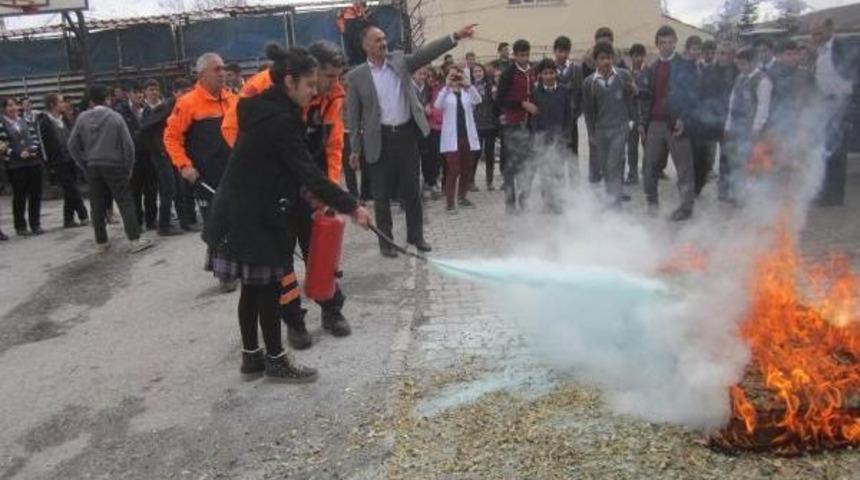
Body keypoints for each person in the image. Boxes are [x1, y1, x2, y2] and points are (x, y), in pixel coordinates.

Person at [203, 44, 372, 382]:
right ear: (290, 82)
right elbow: (307, 170)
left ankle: (252, 358)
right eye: (309, 85)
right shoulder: (281, 120)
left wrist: (311, 194)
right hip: (254, 216)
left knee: (252, 289)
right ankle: (276, 360)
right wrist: (352, 206)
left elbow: (287, 170)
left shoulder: (262, 109)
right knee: (266, 290)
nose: (314, 92)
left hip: (239, 211)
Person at [346, 23, 476, 257]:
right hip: (379, 140)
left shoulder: (399, 61)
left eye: (384, 38)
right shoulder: (356, 77)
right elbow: (353, 117)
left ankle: (416, 236)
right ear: (365, 45)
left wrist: (454, 36)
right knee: (382, 194)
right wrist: (355, 149)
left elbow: (425, 53)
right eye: (377, 40)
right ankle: (386, 243)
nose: (384, 43)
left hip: (406, 134)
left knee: (412, 189)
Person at [165, 52, 238, 291]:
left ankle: (236, 264)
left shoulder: (232, 100)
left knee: (237, 218)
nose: (223, 73)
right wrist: (184, 165)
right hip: (206, 176)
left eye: (223, 68)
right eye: (217, 69)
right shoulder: (187, 103)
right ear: (202, 74)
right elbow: (171, 137)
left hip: (235, 172)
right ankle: (225, 274)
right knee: (216, 221)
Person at [68, 85, 154, 254]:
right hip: (114, 165)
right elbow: (128, 145)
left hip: (93, 166)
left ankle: (101, 242)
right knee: (124, 201)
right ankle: (134, 239)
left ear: (91, 101)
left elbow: (72, 144)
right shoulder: (115, 117)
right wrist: (129, 167)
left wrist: (83, 163)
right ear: (107, 99)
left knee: (97, 204)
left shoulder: (82, 118)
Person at [639, 25, 697, 221]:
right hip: (654, 124)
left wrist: (684, 118)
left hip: (676, 124)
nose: (666, 46)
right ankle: (652, 204)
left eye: (670, 42)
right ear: (657, 45)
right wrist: (641, 123)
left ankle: (686, 208)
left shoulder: (687, 66)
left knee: (684, 168)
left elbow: (693, 97)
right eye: (662, 42)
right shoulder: (651, 68)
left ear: (675, 43)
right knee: (649, 166)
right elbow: (645, 97)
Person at [583, 44, 636, 208]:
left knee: (614, 163)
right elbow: (588, 110)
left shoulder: (623, 75)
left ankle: (616, 204)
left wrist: (632, 120)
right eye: (602, 58)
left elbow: (631, 97)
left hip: (620, 127)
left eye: (609, 58)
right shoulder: (589, 83)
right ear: (596, 61)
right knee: (605, 166)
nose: (606, 61)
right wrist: (591, 132)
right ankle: (611, 197)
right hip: (601, 130)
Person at [811, 17, 856, 206]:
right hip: (826, 104)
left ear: (831, 29)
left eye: (819, 32)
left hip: (845, 102)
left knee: (837, 150)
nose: (815, 37)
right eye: (813, 33)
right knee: (826, 150)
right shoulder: (819, 52)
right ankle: (826, 191)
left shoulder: (844, 44)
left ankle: (834, 196)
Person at [723, 47, 773, 204]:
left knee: (751, 163)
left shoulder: (763, 81)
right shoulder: (740, 78)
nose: (741, 67)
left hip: (751, 129)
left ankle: (752, 198)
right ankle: (739, 193)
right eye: (739, 64)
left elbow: (763, 108)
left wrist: (756, 129)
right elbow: (732, 103)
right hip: (737, 128)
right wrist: (728, 126)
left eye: (744, 64)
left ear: (753, 62)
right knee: (737, 162)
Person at [138, 79, 185, 236]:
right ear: (145, 92)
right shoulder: (146, 111)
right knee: (168, 188)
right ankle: (164, 225)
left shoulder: (166, 107)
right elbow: (146, 129)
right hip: (159, 154)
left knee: (179, 187)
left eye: (156, 89)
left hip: (171, 151)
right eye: (150, 89)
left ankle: (185, 220)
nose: (154, 92)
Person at [36, 93, 89, 228]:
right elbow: (43, 146)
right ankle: (84, 215)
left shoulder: (63, 119)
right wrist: (49, 165)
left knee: (69, 190)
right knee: (72, 188)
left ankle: (68, 219)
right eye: (60, 102)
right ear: (53, 104)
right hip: (58, 161)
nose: (63, 104)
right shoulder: (44, 122)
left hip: (70, 158)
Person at [497, 39, 536, 214]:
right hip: (513, 124)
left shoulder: (533, 71)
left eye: (526, 55)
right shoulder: (508, 73)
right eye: (521, 55)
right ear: (514, 55)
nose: (524, 58)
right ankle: (510, 204)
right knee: (511, 166)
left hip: (531, 124)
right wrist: (521, 104)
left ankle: (524, 198)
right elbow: (500, 100)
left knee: (529, 164)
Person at [435, 64, 481, 212]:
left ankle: (462, 197)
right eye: (453, 75)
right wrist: (446, 86)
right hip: (451, 138)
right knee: (453, 169)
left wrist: (468, 84)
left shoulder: (467, 92)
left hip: (468, 136)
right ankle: (449, 202)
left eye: (458, 75)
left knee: (467, 168)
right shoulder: (446, 93)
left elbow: (478, 100)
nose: (456, 78)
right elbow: (437, 105)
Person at [699, 43, 739, 202]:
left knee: (727, 156)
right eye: (721, 53)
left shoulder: (737, 73)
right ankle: (698, 185)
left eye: (728, 53)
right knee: (704, 155)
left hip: (728, 119)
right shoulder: (707, 71)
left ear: (733, 55)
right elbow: (700, 93)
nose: (724, 56)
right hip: (709, 118)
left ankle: (724, 188)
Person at [117, 82, 158, 231]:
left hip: (149, 155)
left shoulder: (148, 110)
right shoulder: (121, 111)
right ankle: (137, 222)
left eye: (141, 92)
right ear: (128, 94)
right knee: (135, 192)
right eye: (136, 92)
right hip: (132, 158)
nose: (139, 95)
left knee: (151, 190)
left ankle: (152, 220)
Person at [0, 97, 43, 236]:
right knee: (20, 196)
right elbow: (3, 146)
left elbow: (35, 137)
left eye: (15, 105)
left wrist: (33, 149)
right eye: (9, 106)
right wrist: (18, 153)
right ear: (3, 109)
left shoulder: (25, 120)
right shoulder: (2, 124)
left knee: (36, 194)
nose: (14, 108)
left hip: (33, 161)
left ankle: (35, 224)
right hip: (16, 165)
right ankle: (20, 226)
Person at [767, 40, 815, 161]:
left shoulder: (806, 75)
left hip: (800, 124)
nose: (793, 57)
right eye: (788, 54)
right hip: (777, 125)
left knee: (798, 161)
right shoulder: (771, 75)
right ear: (779, 56)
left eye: (795, 54)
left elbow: (814, 100)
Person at [553, 35, 584, 183]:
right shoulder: (549, 69)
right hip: (554, 120)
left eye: (565, 52)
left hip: (571, 120)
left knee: (572, 153)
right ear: (555, 51)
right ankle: (557, 187)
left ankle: (575, 187)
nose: (562, 55)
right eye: (560, 51)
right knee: (556, 154)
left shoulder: (576, 70)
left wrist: (575, 114)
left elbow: (580, 93)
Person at [414, 66, 441, 198]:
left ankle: (430, 182)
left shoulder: (429, 89)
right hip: (412, 128)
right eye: (420, 73)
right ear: (414, 75)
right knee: (414, 159)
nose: (423, 77)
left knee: (429, 157)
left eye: (425, 74)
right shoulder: (408, 88)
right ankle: (415, 185)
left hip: (428, 127)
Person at [472, 63, 499, 190]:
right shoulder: (469, 87)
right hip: (475, 125)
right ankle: (471, 181)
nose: (478, 73)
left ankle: (490, 181)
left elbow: (496, 101)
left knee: (489, 154)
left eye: (480, 71)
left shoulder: (490, 86)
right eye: (475, 71)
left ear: (483, 72)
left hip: (490, 124)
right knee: (475, 154)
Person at [626, 43, 648, 185]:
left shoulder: (648, 73)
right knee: (632, 147)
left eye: (641, 56)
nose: (638, 59)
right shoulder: (626, 75)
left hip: (646, 117)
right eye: (635, 56)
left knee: (648, 147)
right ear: (631, 57)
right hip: (630, 117)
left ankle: (648, 174)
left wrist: (643, 121)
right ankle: (633, 174)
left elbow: (648, 97)